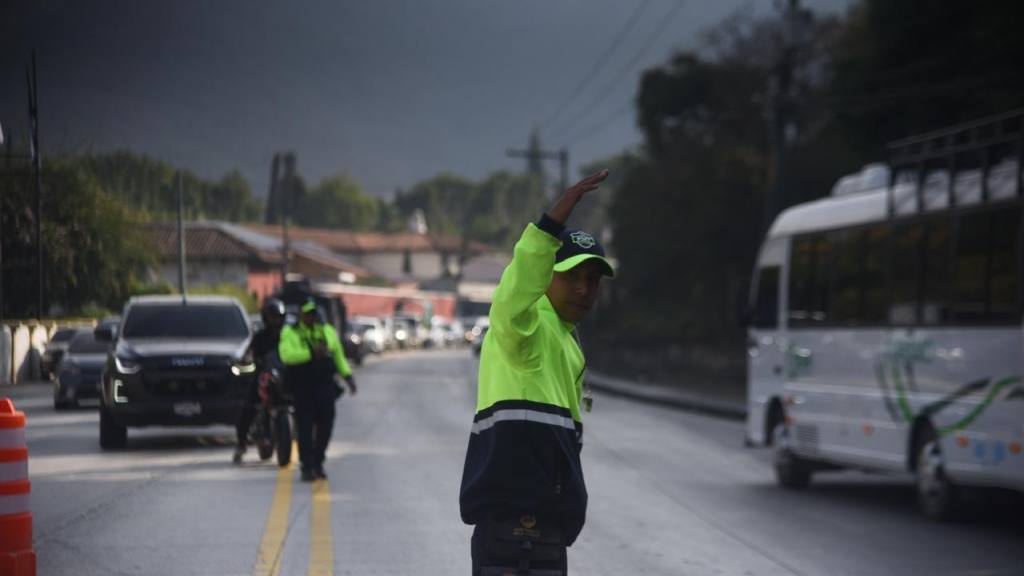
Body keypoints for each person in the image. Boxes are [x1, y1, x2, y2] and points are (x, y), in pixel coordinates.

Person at [459, 170, 614, 575]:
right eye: (572, 276)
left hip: (548, 532)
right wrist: (550, 225)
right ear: (545, 275)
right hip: (510, 534)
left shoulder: (566, 338)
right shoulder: (523, 327)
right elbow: (518, 283)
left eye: (592, 280)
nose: (583, 289)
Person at [279, 298, 357, 482]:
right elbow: (287, 356)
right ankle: (307, 466)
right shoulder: (291, 333)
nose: (311, 316)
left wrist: (348, 377)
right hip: (303, 387)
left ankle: (318, 462)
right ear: (301, 315)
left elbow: (338, 356)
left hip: (324, 386)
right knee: (304, 428)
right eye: (307, 313)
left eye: (314, 313)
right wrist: (311, 353)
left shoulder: (327, 331)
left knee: (326, 425)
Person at [233, 298, 286, 464]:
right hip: (263, 377)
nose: (275, 320)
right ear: (265, 317)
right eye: (272, 316)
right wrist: (246, 364)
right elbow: (248, 356)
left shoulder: (288, 336)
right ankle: (241, 444)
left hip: (284, 376)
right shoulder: (260, 337)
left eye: (277, 316)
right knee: (247, 408)